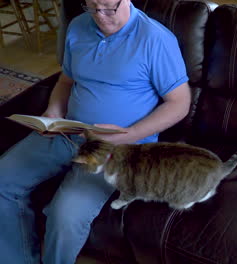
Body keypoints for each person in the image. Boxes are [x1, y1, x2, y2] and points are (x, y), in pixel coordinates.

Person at [0, 0, 191, 263]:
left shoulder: (155, 39)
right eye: (92, 6)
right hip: (67, 132)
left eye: (109, 7)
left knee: (65, 215)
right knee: (2, 179)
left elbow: (180, 103)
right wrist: (54, 110)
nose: (100, 16)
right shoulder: (78, 26)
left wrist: (131, 134)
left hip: (114, 151)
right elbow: (66, 80)